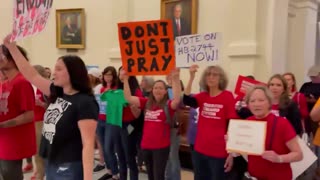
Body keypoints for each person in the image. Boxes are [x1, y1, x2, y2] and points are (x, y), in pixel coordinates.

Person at [3, 34, 98, 180]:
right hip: (52, 161)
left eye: (59, 69)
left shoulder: (85, 102)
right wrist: (12, 48)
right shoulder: (58, 92)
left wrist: (87, 178)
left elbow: (88, 144)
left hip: (68, 165)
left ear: (72, 72)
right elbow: (32, 75)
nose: (54, 73)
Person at [123, 68, 181, 180]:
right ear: (152, 90)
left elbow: (177, 99)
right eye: (155, 88)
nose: (157, 90)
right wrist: (126, 79)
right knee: (150, 176)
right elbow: (128, 98)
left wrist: (175, 78)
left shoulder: (168, 105)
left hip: (160, 147)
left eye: (160, 88)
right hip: (146, 146)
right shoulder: (146, 103)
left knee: (158, 176)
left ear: (165, 91)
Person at [183, 65, 235, 179]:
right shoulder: (202, 96)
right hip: (200, 149)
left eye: (215, 74)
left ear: (221, 79)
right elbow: (186, 99)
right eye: (208, 74)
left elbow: (231, 124)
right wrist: (191, 77)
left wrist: (231, 153)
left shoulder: (227, 96)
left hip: (219, 151)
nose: (211, 77)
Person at [244, 85, 302, 179]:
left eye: (261, 100)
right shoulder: (248, 122)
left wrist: (279, 158)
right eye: (252, 101)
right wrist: (233, 144)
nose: (256, 104)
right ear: (248, 105)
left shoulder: (282, 123)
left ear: (269, 102)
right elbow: (245, 149)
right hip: (254, 176)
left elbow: (298, 155)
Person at [0, 43, 36, 180]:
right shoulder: (5, 83)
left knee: (10, 175)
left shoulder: (22, 82)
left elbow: (29, 115)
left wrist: (3, 125)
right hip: (4, 137)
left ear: (11, 58)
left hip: (14, 140)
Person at [299, 65, 320, 135]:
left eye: (314, 77)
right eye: (311, 77)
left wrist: (315, 100)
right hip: (307, 114)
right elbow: (300, 97)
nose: (312, 78)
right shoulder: (306, 85)